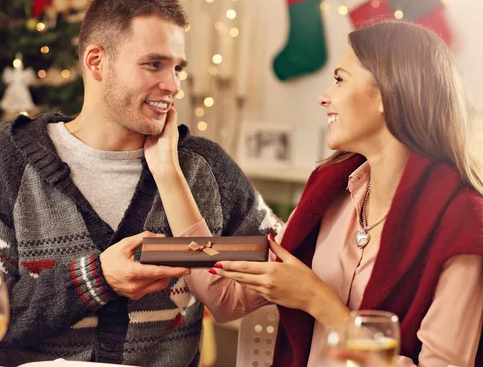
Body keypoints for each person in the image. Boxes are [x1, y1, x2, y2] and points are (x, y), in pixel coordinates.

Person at [0, 0, 280, 367]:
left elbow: (287, 258)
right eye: (154, 64)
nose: (172, 85)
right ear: (96, 62)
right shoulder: (9, 161)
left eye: (178, 68)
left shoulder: (203, 167)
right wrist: (95, 278)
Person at [154, 21, 483, 366]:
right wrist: (167, 171)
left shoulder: (463, 225)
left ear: (388, 93)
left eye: (340, 79)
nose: (324, 95)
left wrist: (317, 300)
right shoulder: (329, 193)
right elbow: (224, 298)